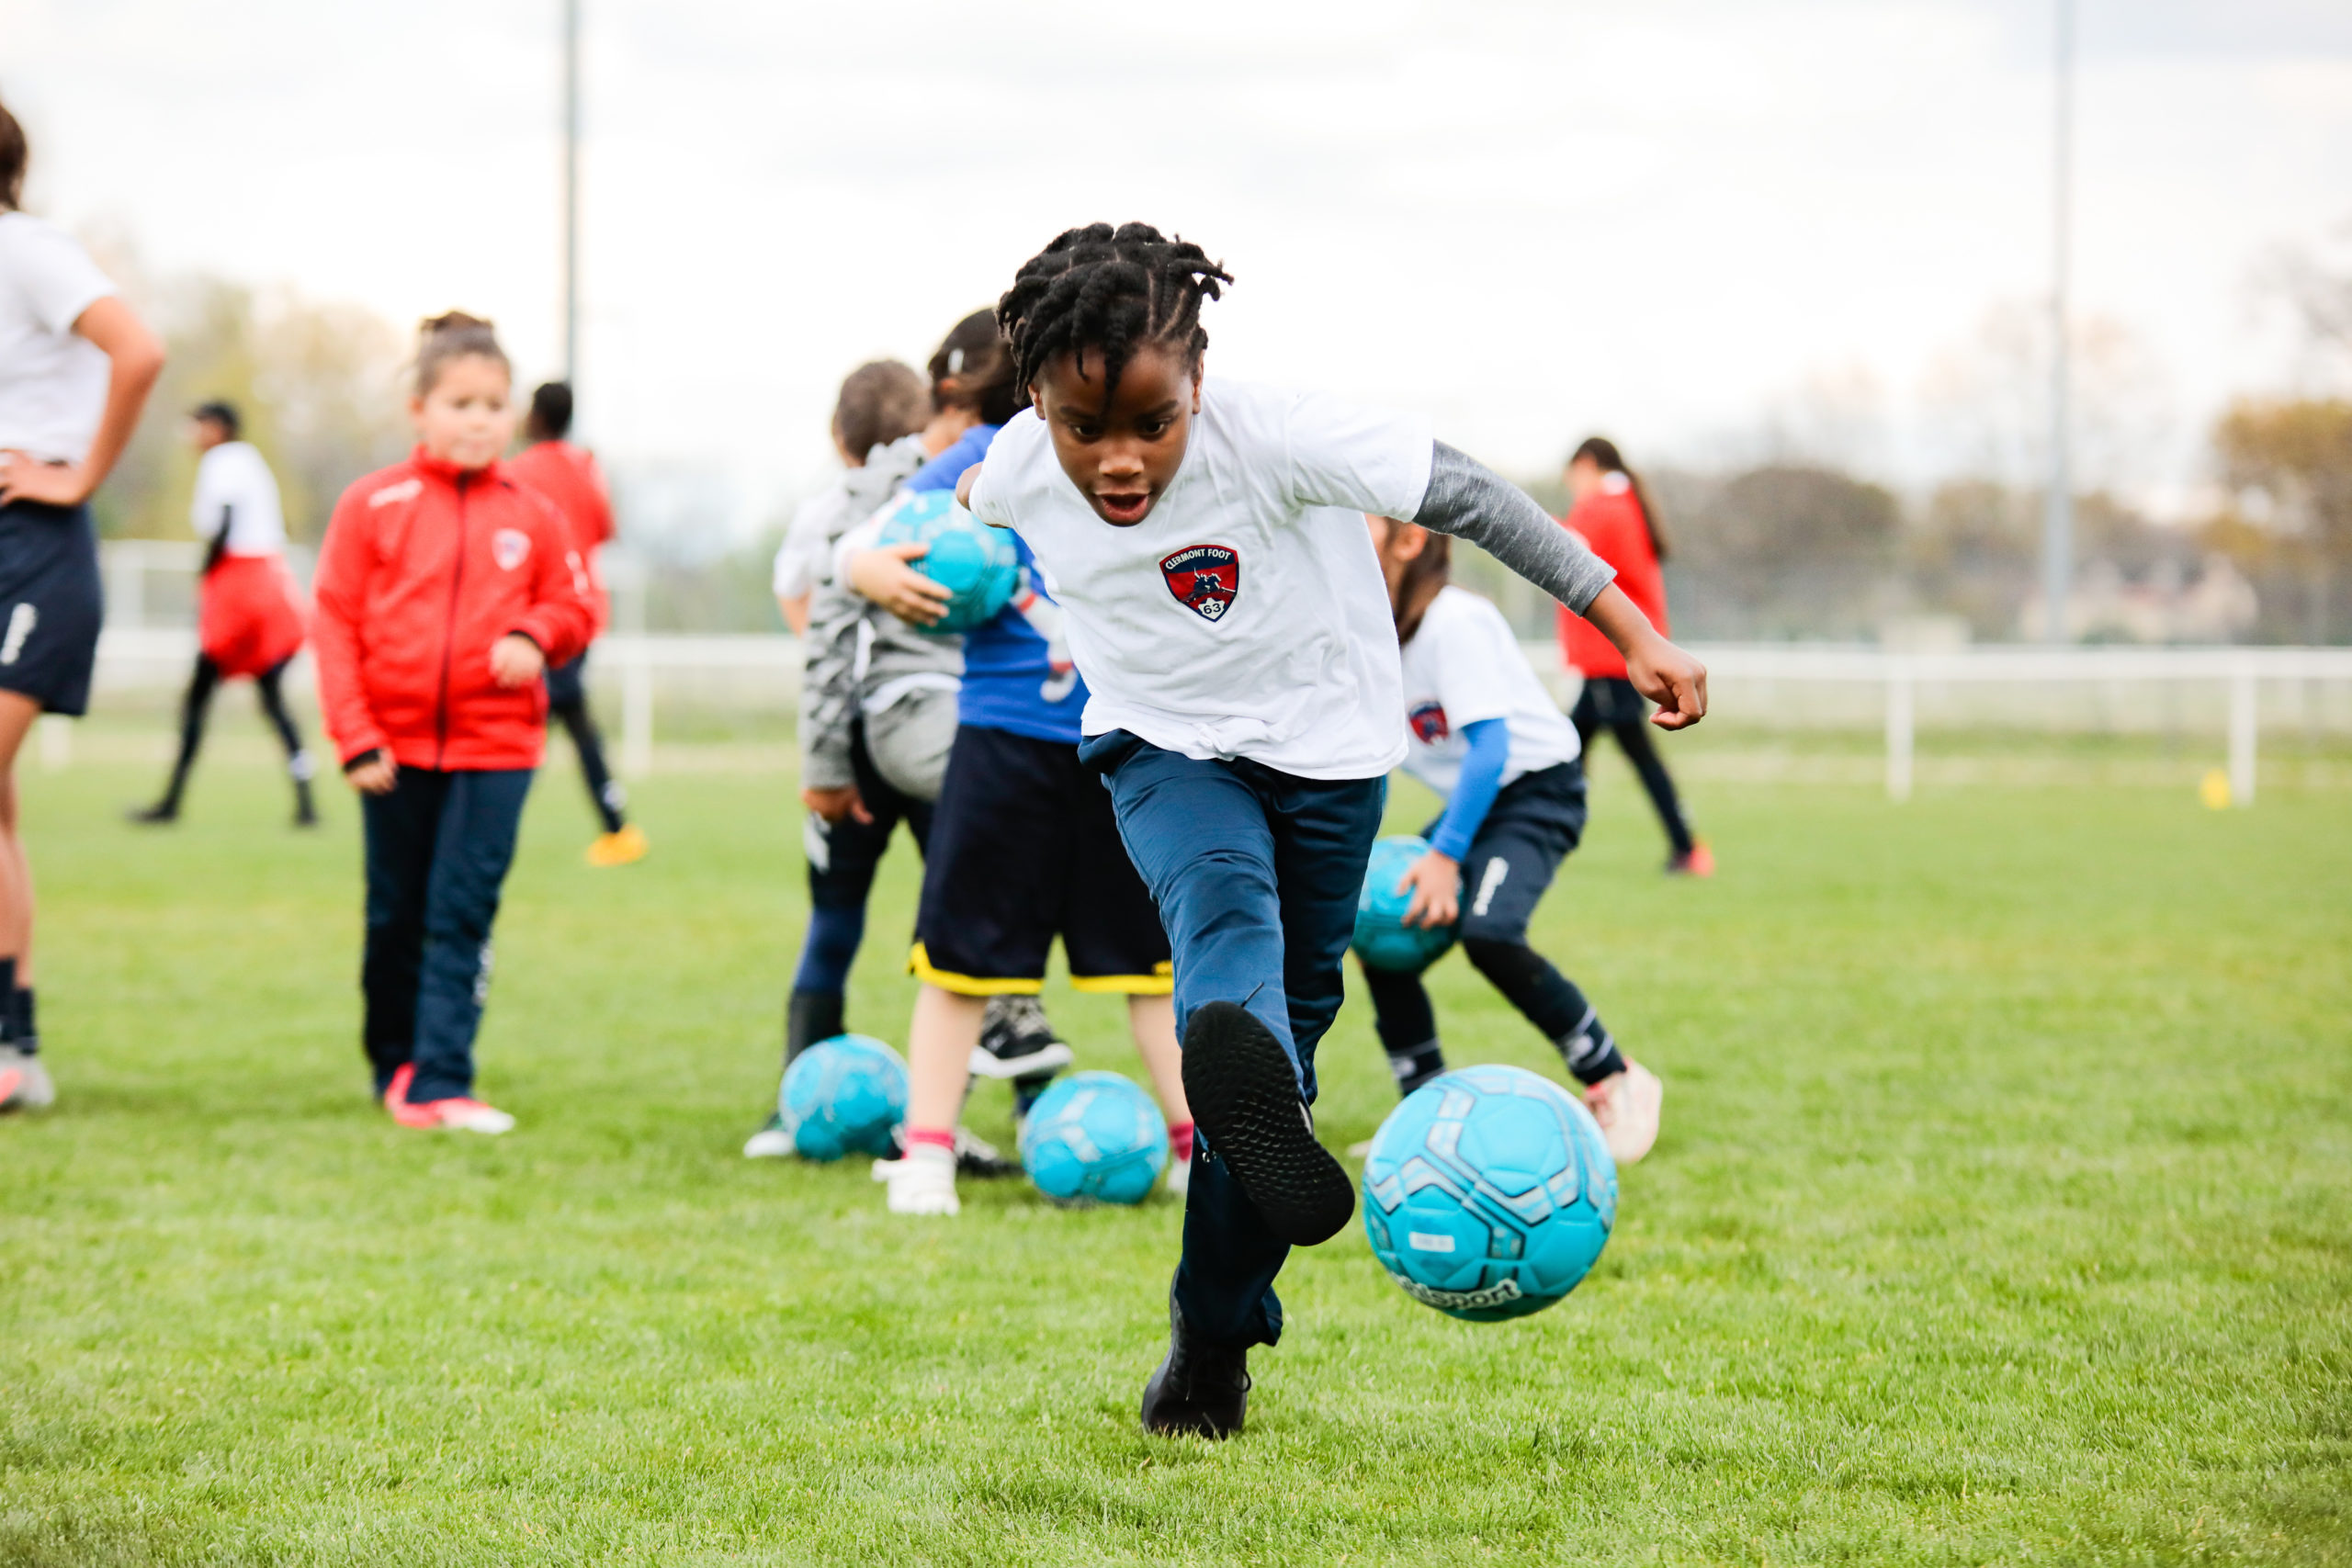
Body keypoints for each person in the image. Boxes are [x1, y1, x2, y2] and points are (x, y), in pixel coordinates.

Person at [956, 223, 1707, 1438]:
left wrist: (1636, 631)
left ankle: (1212, 1338)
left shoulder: (1283, 431)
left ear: (1196, 379)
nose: (1118, 458)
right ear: (1035, 395)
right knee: (1218, 908)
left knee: (1275, 1086)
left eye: (1153, 420)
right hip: (1161, 742)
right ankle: (1230, 1050)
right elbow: (946, 497)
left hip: (1327, 765)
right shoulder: (1010, 470)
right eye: (1080, 426)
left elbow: (1477, 497)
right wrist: (871, 557)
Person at [842, 315, 1195, 1218]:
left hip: (1128, 743)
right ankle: (926, 1155)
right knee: (959, 963)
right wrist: (868, 567)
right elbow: (862, 541)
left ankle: (1199, 1148)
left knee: (1154, 966)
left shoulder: (1158, 447)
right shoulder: (990, 456)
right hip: (1000, 743)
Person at [745, 338, 1067, 1169]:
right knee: (897, 914)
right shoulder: (864, 503)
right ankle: (810, 1096)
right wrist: (823, 765)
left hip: (937, 725)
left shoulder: (992, 478)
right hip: (888, 735)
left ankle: (1003, 1102)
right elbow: (821, 618)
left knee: (950, 915)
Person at [310, 313, 594, 1134]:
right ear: (419, 409)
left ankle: (442, 1079)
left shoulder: (534, 513)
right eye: (461, 402)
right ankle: (394, 1063)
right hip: (389, 753)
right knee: (393, 914)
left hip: (496, 750)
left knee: (459, 911)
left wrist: (533, 636)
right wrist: (355, 737)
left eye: (494, 404)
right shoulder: (372, 504)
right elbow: (333, 625)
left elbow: (576, 603)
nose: (479, 420)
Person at [1361, 513, 1664, 1163]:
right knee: (1380, 920)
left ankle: (1615, 1076)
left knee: (1490, 934)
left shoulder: (1454, 622)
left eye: (1355, 523)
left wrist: (1444, 856)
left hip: (1536, 791)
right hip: (1477, 802)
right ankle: (1423, 1107)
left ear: (1409, 541)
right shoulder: (1368, 637)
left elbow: (1491, 747)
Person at [0, 97, 165, 1111]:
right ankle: (16, 1045)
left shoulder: (27, 247)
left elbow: (138, 349)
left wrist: (80, 475)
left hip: (35, 547)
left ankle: (11, 1050)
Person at [130, 400, 315, 827]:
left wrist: (206, 571)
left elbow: (225, 519)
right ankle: (307, 803)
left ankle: (171, 801)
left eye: (196, 427)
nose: (193, 437)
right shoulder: (250, 461)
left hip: (241, 585)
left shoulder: (225, 459)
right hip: (268, 581)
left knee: (197, 698)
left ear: (216, 428)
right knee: (273, 702)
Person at [506, 381, 645, 867]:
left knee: (536, 715)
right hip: (583, 612)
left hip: (538, 614)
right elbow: (607, 529)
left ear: (537, 417)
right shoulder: (586, 468)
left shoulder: (518, 472)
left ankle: (613, 827)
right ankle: (615, 825)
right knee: (565, 713)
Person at [1557, 436, 1710, 875]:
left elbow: (1555, 551)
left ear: (1587, 465)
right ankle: (1684, 848)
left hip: (1609, 659)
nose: (1573, 489)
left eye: (1573, 478)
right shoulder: (1626, 506)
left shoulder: (1600, 509)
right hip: (1612, 661)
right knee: (1567, 754)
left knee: (1583, 757)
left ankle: (1687, 849)